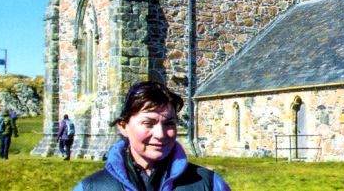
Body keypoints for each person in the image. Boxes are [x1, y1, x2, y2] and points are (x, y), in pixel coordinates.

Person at [74, 81, 230, 191]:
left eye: (169, 123)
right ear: (123, 126)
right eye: (148, 123)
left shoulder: (208, 184)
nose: (160, 134)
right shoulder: (92, 187)